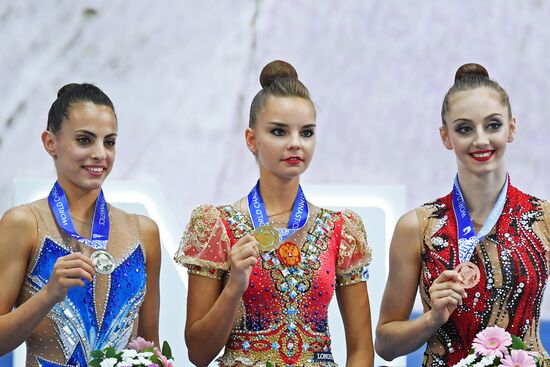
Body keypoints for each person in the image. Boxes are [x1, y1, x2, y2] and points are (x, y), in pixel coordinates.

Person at [175, 60, 373, 366]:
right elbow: (198, 354)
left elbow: (361, 349)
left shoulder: (341, 228)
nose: (295, 144)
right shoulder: (217, 225)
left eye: (306, 133)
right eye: (279, 132)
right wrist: (233, 287)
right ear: (251, 140)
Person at [375, 63, 549, 366]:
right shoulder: (417, 227)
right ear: (446, 137)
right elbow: (385, 344)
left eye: (493, 125)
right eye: (465, 128)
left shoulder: (543, 218)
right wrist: (432, 318)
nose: (480, 139)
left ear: (512, 128)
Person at [0, 84, 161, 366]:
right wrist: (48, 295)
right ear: (50, 142)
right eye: (85, 140)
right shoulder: (25, 224)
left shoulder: (144, 232)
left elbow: (150, 349)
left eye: (109, 142)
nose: (100, 153)